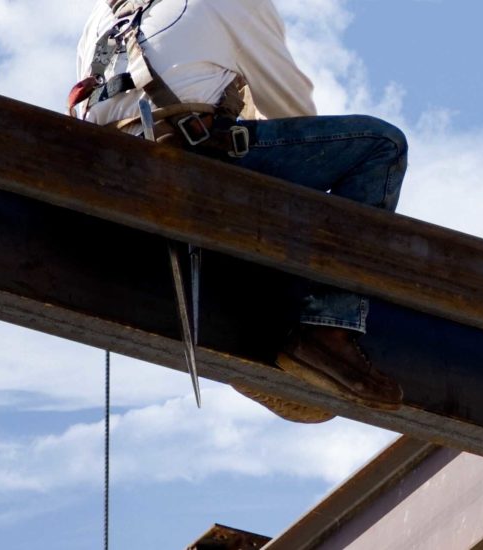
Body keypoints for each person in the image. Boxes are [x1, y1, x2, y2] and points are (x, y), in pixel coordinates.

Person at [72, 0, 406, 422]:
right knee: (380, 147)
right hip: (192, 162)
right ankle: (328, 331)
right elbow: (292, 109)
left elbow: (92, 105)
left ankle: (251, 329)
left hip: (110, 180)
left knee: (250, 184)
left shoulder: (103, 21)